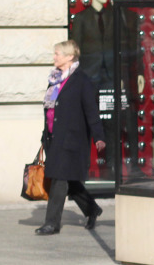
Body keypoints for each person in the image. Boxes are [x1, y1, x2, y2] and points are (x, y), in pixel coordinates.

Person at [36, 40, 105, 235]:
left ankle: (52, 223)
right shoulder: (55, 79)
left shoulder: (81, 80)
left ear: (69, 57)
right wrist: (44, 135)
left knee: (59, 179)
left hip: (72, 139)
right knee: (70, 181)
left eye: (58, 53)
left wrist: (99, 136)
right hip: (54, 137)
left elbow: (91, 110)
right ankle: (92, 209)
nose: (54, 57)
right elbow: (51, 110)